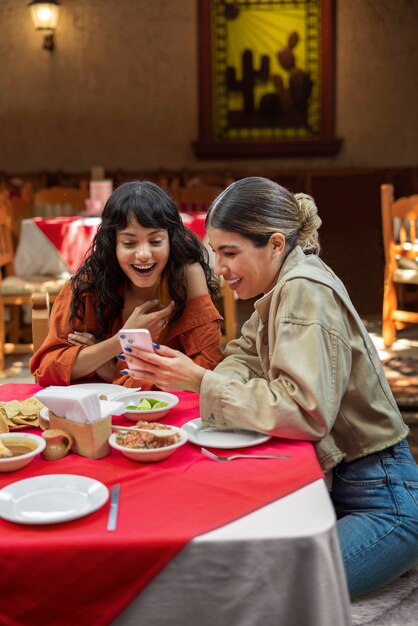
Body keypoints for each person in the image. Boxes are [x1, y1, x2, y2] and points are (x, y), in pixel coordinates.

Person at [119, 176, 418, 599]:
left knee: (265, 595)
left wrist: (199, 380)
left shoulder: (303, 291)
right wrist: (207, 379)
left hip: (386, 501)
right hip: (346, 481)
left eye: (229, 254)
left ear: (275, 244)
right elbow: (244, 354)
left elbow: (305, 413)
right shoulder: (285, 281)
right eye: (214, 254)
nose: (219, 270)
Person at [30, 180, 223, 388]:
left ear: (171, 240)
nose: (143, 254)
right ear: (112, 244)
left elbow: (207, 370)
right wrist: (121, 340)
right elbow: (47, 370)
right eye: (129, 243)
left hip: (168, 412)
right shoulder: (91, 281)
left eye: (156, 241)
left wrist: (107, 369)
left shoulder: (186, 275)